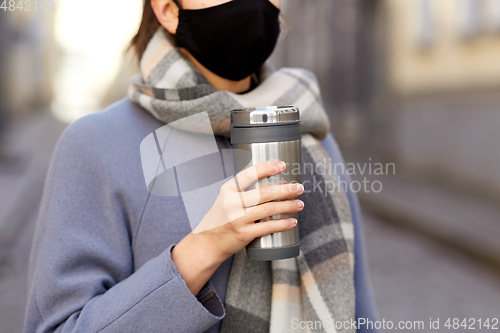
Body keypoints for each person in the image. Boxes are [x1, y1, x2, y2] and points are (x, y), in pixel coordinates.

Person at [24, 0, 378, 332]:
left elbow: (358, 313)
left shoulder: (312, 136)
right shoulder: (96, 144)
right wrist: (202, 249)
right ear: (167, 9)